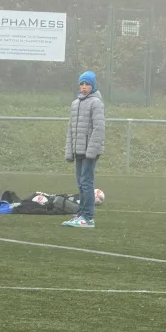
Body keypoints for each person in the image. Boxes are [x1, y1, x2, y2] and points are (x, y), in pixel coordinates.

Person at [63, 71, 105, 228]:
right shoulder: (75, 104)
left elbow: (99, 128)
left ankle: (88, 217)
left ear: (93, 86)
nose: (84, 87)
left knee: (87, 182)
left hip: (89, 151)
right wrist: (69, 151)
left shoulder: (96, 103)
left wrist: (91, 151)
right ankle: (81, 214)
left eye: (87, 84)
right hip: (79, 150)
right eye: (82, 84)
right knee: (80, 183)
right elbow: (71, 129)